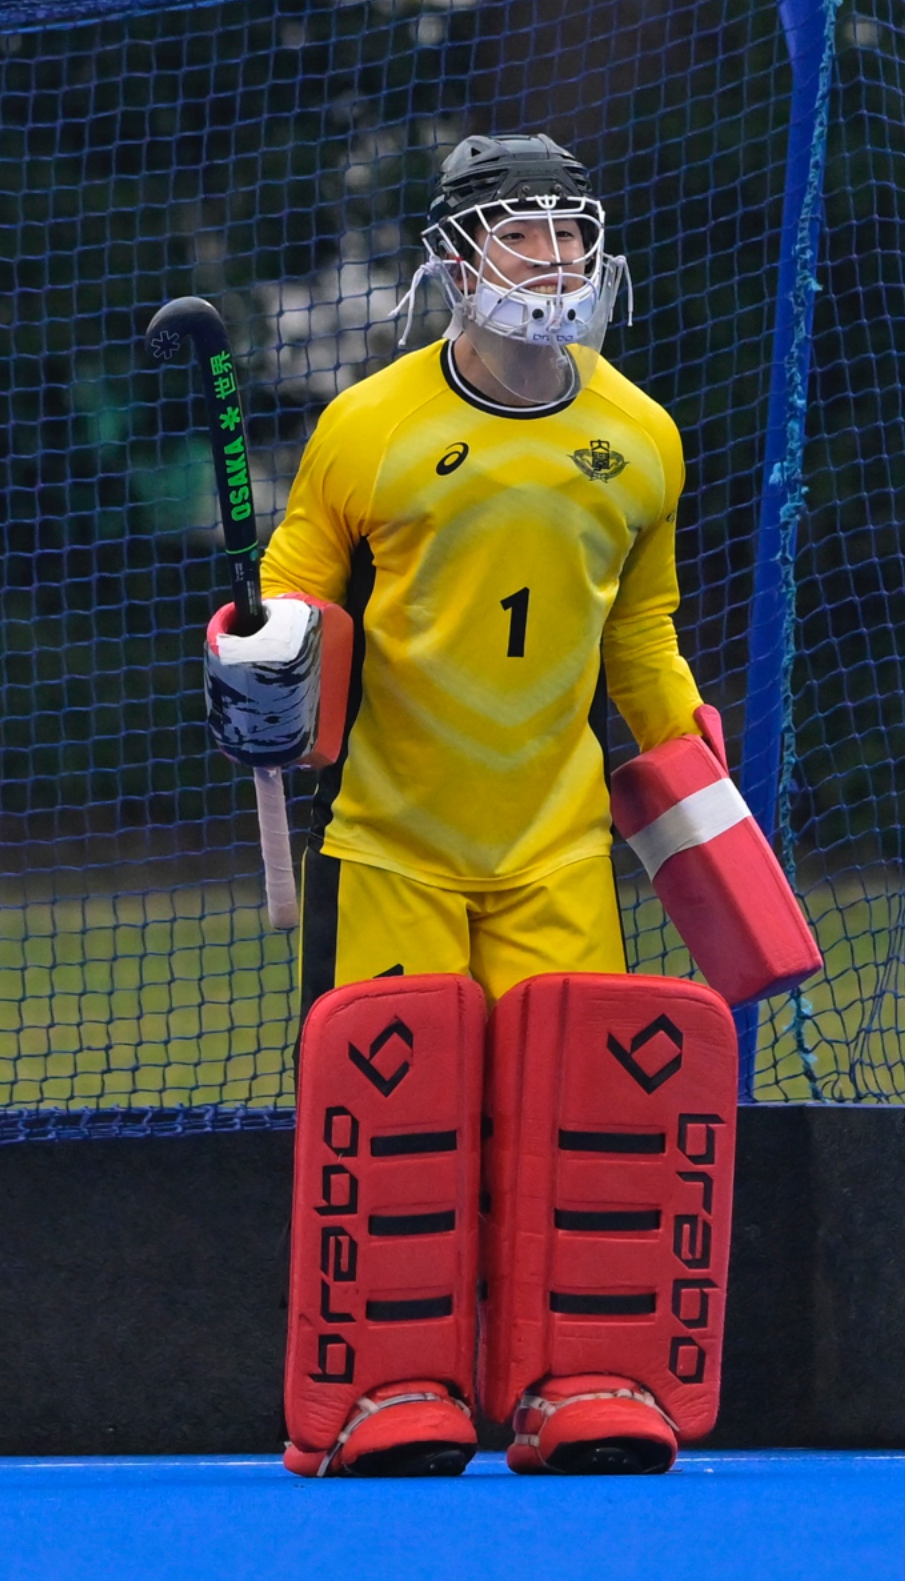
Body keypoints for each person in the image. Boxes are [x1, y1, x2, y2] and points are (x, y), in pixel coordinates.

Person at [222, 134, 739, 1480]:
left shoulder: (640, 436)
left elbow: (642, 637)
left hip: (556, 846)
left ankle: (579, 1381)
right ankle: (384, 1391)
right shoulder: (367, 427)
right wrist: (258, 659)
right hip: (390, 840)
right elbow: (293, 598)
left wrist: (691, 762)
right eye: (524, 232)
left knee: (583, 1132)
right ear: (456, 259)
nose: (555, 259)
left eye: (572, 231)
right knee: (399, 1133)